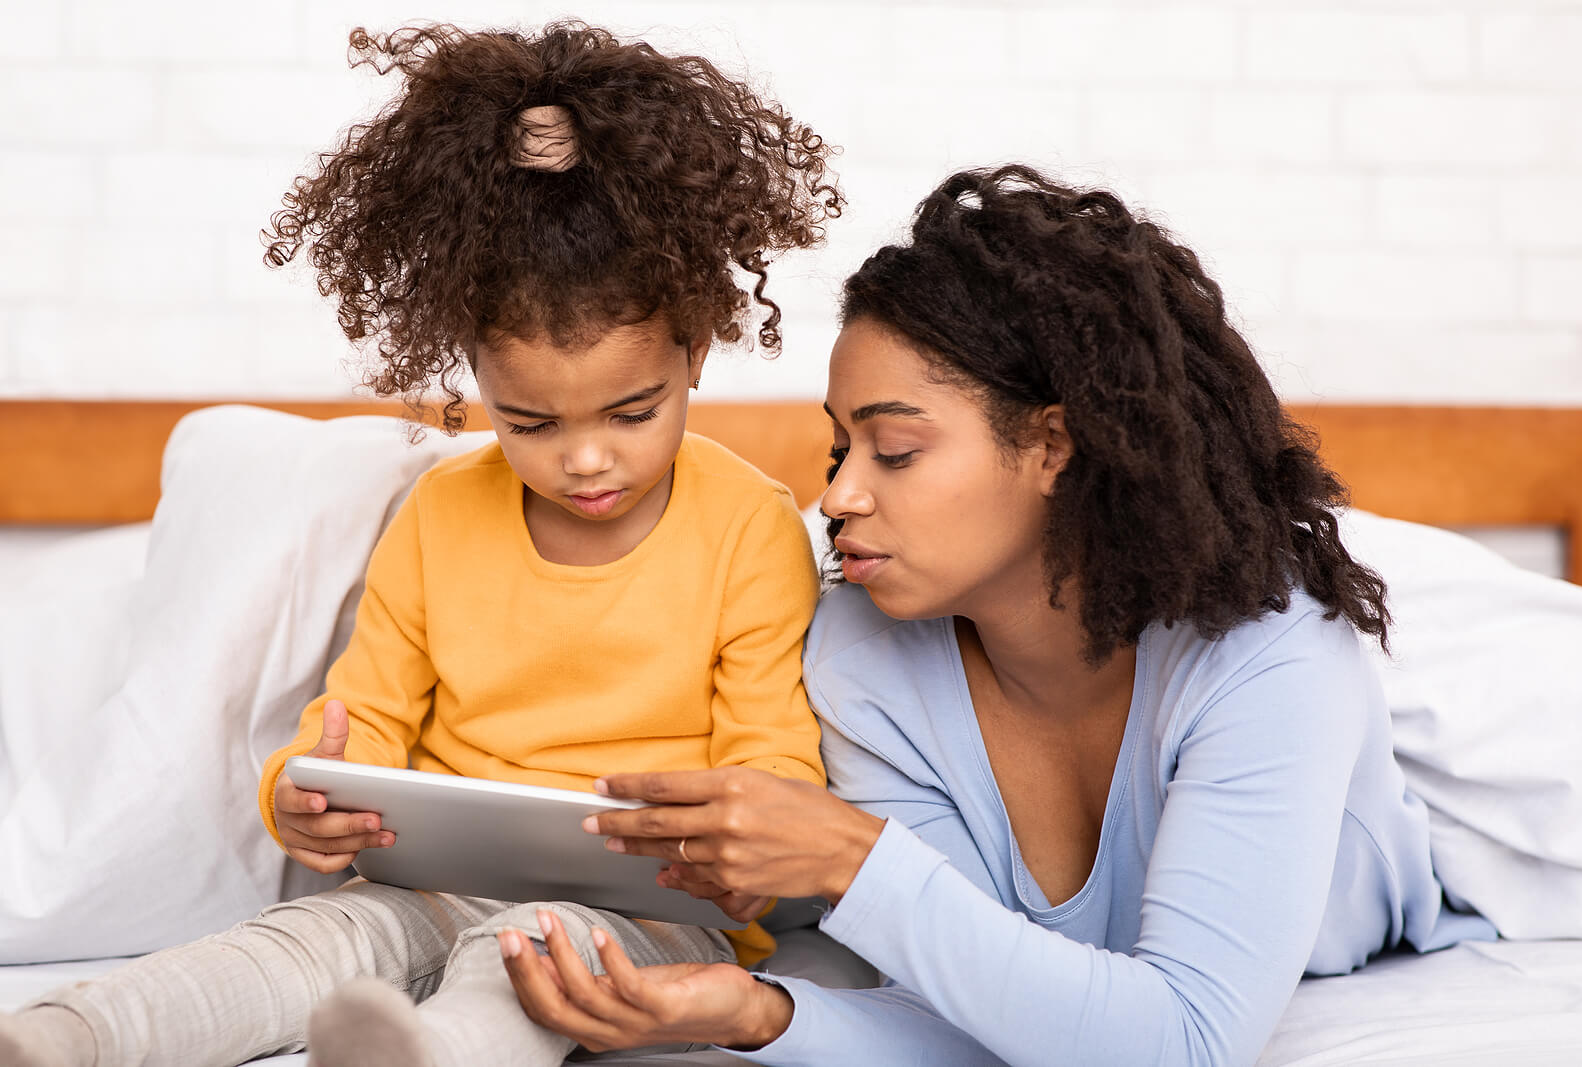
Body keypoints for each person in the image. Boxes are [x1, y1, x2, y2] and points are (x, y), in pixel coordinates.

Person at [496, 166, 1500, 1065]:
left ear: (1052, 444)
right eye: (838, 448)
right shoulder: (862, 643)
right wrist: (757, 1010)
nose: (838, 495)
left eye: (893, 450)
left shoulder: (1268, 646)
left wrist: (851, 855)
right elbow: (983, 1009)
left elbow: (1184, 1040)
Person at [0, 20, 842, 1067]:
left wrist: (747, 854)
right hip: (434, 881)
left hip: (656, 910)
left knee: (534, 949)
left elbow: (771, 759)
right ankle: (63, 1036)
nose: (584, 461)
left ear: (696, 352)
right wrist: (306, 792)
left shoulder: (748, 525)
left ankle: (428, 1055)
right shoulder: (442, 512)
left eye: (631, 412)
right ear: (475, 378)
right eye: (529, 423)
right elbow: (363, 718)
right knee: (320, 932)